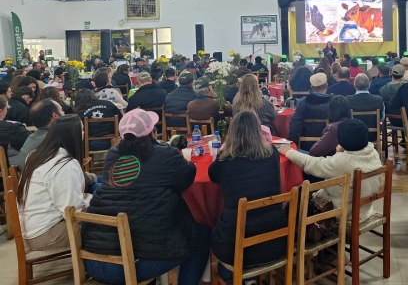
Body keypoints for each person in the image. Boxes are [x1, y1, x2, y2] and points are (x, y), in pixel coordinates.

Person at [82, 109, 209, 284]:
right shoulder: (164, 154)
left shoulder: (113, 153)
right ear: (152, 132)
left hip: (93, 258)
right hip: (131, 265)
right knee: (201, 235)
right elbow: (187, 176)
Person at [209, 110, 286, 268]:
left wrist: (223, 150)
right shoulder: (272, 155)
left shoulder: (225, 161)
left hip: (237, 251)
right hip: (277, 244)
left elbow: (213, 176)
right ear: (259, 131)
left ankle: (224, 274)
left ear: (232, 133)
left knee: (206, 226)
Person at [280, 119, 382, 222]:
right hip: (364, 210)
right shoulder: (373, 152)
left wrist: (289, 152)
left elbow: (312, 164)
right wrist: (340, 152)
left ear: (342, 140)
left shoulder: (344, 161)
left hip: (343, 213)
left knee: (290, 205)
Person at [17, 115, 91, 251]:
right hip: (46, 234)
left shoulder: (36, 154)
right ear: (72, 136)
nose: (83, 133)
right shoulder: (65, 164)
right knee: (106, 226)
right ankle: (97, 267)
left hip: (31, 228)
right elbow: (72, 211)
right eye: (81, 130)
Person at [16, 99, 65, 170]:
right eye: (62, 110)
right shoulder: (54, 138)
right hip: (41, 180)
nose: (64, 113)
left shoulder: (31, 137)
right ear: (55, 115)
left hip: (26, 178)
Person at [288, 73, 332, 150]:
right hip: (329, 145)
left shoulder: (303, 102)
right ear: (327, 85)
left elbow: (295, 126)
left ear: (311, 87)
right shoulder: (334, 102)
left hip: (306, 146)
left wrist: (293, 145)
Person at [346, 73, 385, 140]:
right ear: (369, 85)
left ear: (354, 86)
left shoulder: (347, 100)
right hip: (372, 135)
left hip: (353, 135)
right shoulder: (379, 100)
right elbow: (382, 118)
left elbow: (346, 119)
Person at [0, 95, 31, 163]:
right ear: (0, 111)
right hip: (8, 171)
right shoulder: (12, 128)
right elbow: (32, 144)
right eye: (7, 108)